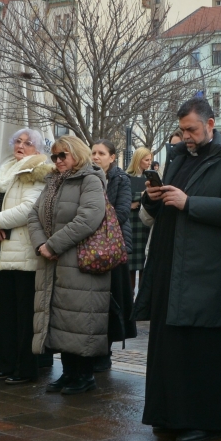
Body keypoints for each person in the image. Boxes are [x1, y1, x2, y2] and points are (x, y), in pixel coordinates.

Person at [138, 98, 221, 441]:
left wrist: (190, 203)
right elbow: (162, 210)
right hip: (171, 264)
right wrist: (152, 197)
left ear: (210, 124)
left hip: (207, 268)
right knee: (169, 346)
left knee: (201, 348)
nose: (186, 136)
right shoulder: (177, 158)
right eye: (182, 130)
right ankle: (169, 415)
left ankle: (203, 419)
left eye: (191, 129)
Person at [32, 134, 112, 395]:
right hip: (54, 261)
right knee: (62, 318)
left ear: (76, 154)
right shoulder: (53, 181)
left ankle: (84, 375)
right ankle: (68, 373)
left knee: (81, 319)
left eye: (62, 155)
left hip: (82, 261)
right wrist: (40, 244)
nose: (57, 161)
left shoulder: (90, 179)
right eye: (54, 156)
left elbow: (89, 217)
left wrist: (53, 245)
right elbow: (35, 214)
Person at [0, 129, 53, 381]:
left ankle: (26, 369)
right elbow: (0, 206)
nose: (21, 146)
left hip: (25, 253)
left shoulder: (37, 171)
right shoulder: (6, 170)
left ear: (37, 149)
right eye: (18, 141)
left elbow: (28, 209)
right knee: (5, 314)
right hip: (4, 252)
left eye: (28, 143)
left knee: (25, 316)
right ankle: (6, 364)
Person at [93, 139, 136, 352]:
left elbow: (121, 213)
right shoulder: (87, 177)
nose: (96, 157)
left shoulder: (121, 179)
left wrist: (91, 222)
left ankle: (106, 349)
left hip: (113, 246)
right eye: (93, 153)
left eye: (101, 153)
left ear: (112, 157)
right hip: (90, 248)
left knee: (112, 299)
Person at [126, 146, 155, 296]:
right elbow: (123, 199)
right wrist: (140, 197)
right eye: (146, 159)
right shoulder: (126, 177)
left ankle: (142, 300)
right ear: (138, 159)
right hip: (130, 225)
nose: (149, 162)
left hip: (145, 225)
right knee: (130, 265)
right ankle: (129, 301)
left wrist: (137, 200)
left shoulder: (151, 178)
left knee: (145, 263)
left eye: (150, 159)